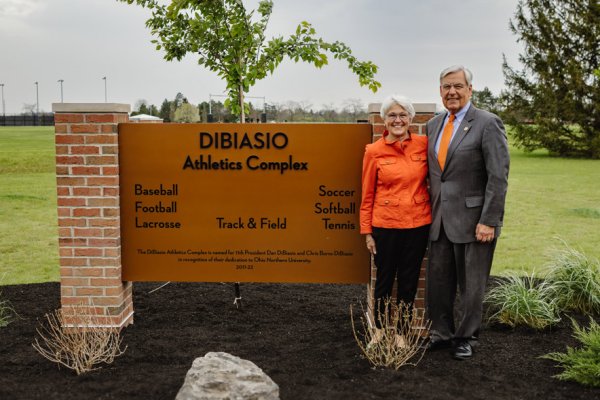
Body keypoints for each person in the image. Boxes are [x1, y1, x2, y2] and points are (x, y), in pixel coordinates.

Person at [426, 65, 510, 360]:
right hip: (439, 221)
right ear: (440, 91)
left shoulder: (488, 123)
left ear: (470, 90)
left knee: (472, 285)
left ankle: (466, 337)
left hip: (475, 222)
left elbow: (498, 177)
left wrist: (489, 220)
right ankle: (440, 334)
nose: (452, 92)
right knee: (438, 283)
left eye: (458, 86)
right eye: (446, 86)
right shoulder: (434, 125)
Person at [360, 94, 431, 347]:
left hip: (417, 225)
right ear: (384, 120)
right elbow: (367, 194)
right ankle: (379, 331)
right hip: (385, 226)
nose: (398, 120)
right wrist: (367, 231)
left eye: (402, 115)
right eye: (392, 115)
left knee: (409, 281)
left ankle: (401, 333)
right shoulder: (374, 151)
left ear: (410, 119)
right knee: (384, 280)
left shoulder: (423, 144)